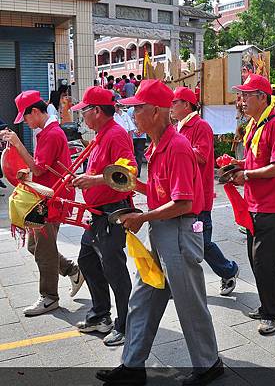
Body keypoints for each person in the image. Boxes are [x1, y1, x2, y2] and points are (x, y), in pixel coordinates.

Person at [97, 80, 222, 386]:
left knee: (189, 303)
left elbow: (183, 203)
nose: (133, 114)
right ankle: (132, 365)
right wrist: (125, 182)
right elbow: (160, 190)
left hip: (179, 234)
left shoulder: (177, 147)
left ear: (154, 111)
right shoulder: (157, 145)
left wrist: (143, 217)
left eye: (137, 108)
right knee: (142, 299)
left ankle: (209, 365)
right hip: (162, 231)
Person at [0, 91, 84, 316]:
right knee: (34, 246)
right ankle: (72, 270)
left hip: (51, 200)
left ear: (35, 112)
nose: (25, 123)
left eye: (25, 117)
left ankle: (49, 297)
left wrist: (18, 145)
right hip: (45, 196)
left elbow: (38, 168)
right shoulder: (46, 132)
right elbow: (40, 169)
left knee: (43, 250)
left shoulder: (51, 134)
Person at [70, 86, 136, 346]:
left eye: (84, 111)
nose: (81, 116)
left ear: (97, 110)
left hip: (112, 213)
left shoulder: (116, 134)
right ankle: (100, 315)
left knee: (115, 270)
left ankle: (125, 324)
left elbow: (127, 173)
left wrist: (94, 180)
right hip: (97, 214)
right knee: (86, 261)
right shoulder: (101, 135)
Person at [230, 74, 275, 335]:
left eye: (247, 95)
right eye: (242, 95)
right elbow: (258, 162)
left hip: (273, 205)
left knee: (264, 261)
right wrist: (239, 165)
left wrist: (246, 175)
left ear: (262, 97)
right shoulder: (256, 124)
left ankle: (272, 312)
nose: (242, 100)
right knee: (255, 259)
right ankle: (272, 303)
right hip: (254, 203)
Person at [170, 86, 240, 296]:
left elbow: (202, 156)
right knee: (181, 241)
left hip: (198, 196)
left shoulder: (201, 126)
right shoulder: (178, 127)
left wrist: (177, 147)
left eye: (175, 102)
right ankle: (177, 284)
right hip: (182, 194)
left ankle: (229, 270)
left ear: (186, 104)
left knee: (202, 243)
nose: (171, 107)